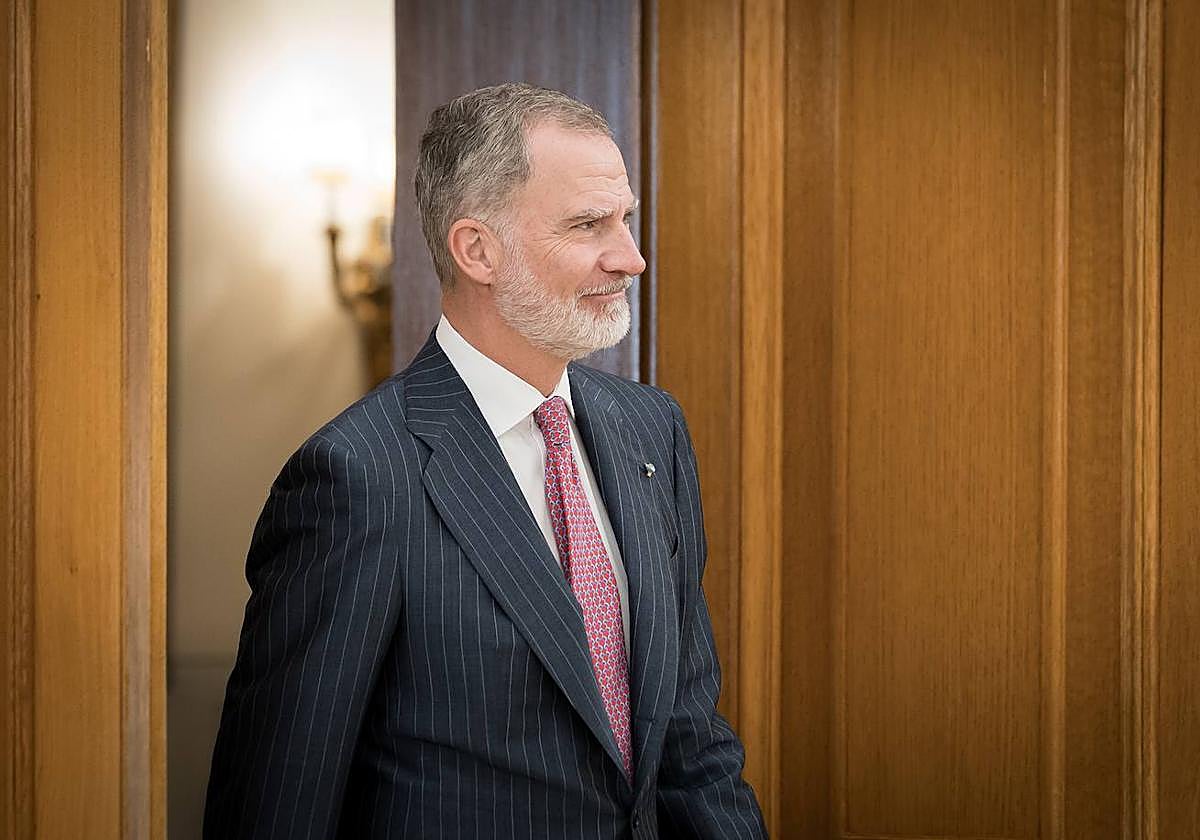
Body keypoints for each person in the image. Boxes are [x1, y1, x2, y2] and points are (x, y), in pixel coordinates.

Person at [204, 83, 766, 839]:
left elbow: (690, 739)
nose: (631, 257)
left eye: (626, 219)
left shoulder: (651, 429)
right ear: (477, 250)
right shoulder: (359, 475)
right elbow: (278, 801)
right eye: (589, 224)